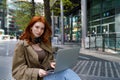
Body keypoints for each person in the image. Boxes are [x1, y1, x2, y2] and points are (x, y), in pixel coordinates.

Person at [12, 16, 81, 80]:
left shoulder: (45, 43)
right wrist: (37, 72)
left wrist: (51, 64)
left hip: (46, 75)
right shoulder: (21, 45)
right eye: (37, 27)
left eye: (42, 28)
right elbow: (17, 71)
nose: (39, 31)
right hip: (33, 78)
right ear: (31, 27)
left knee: (66, 71)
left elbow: (49, 60)